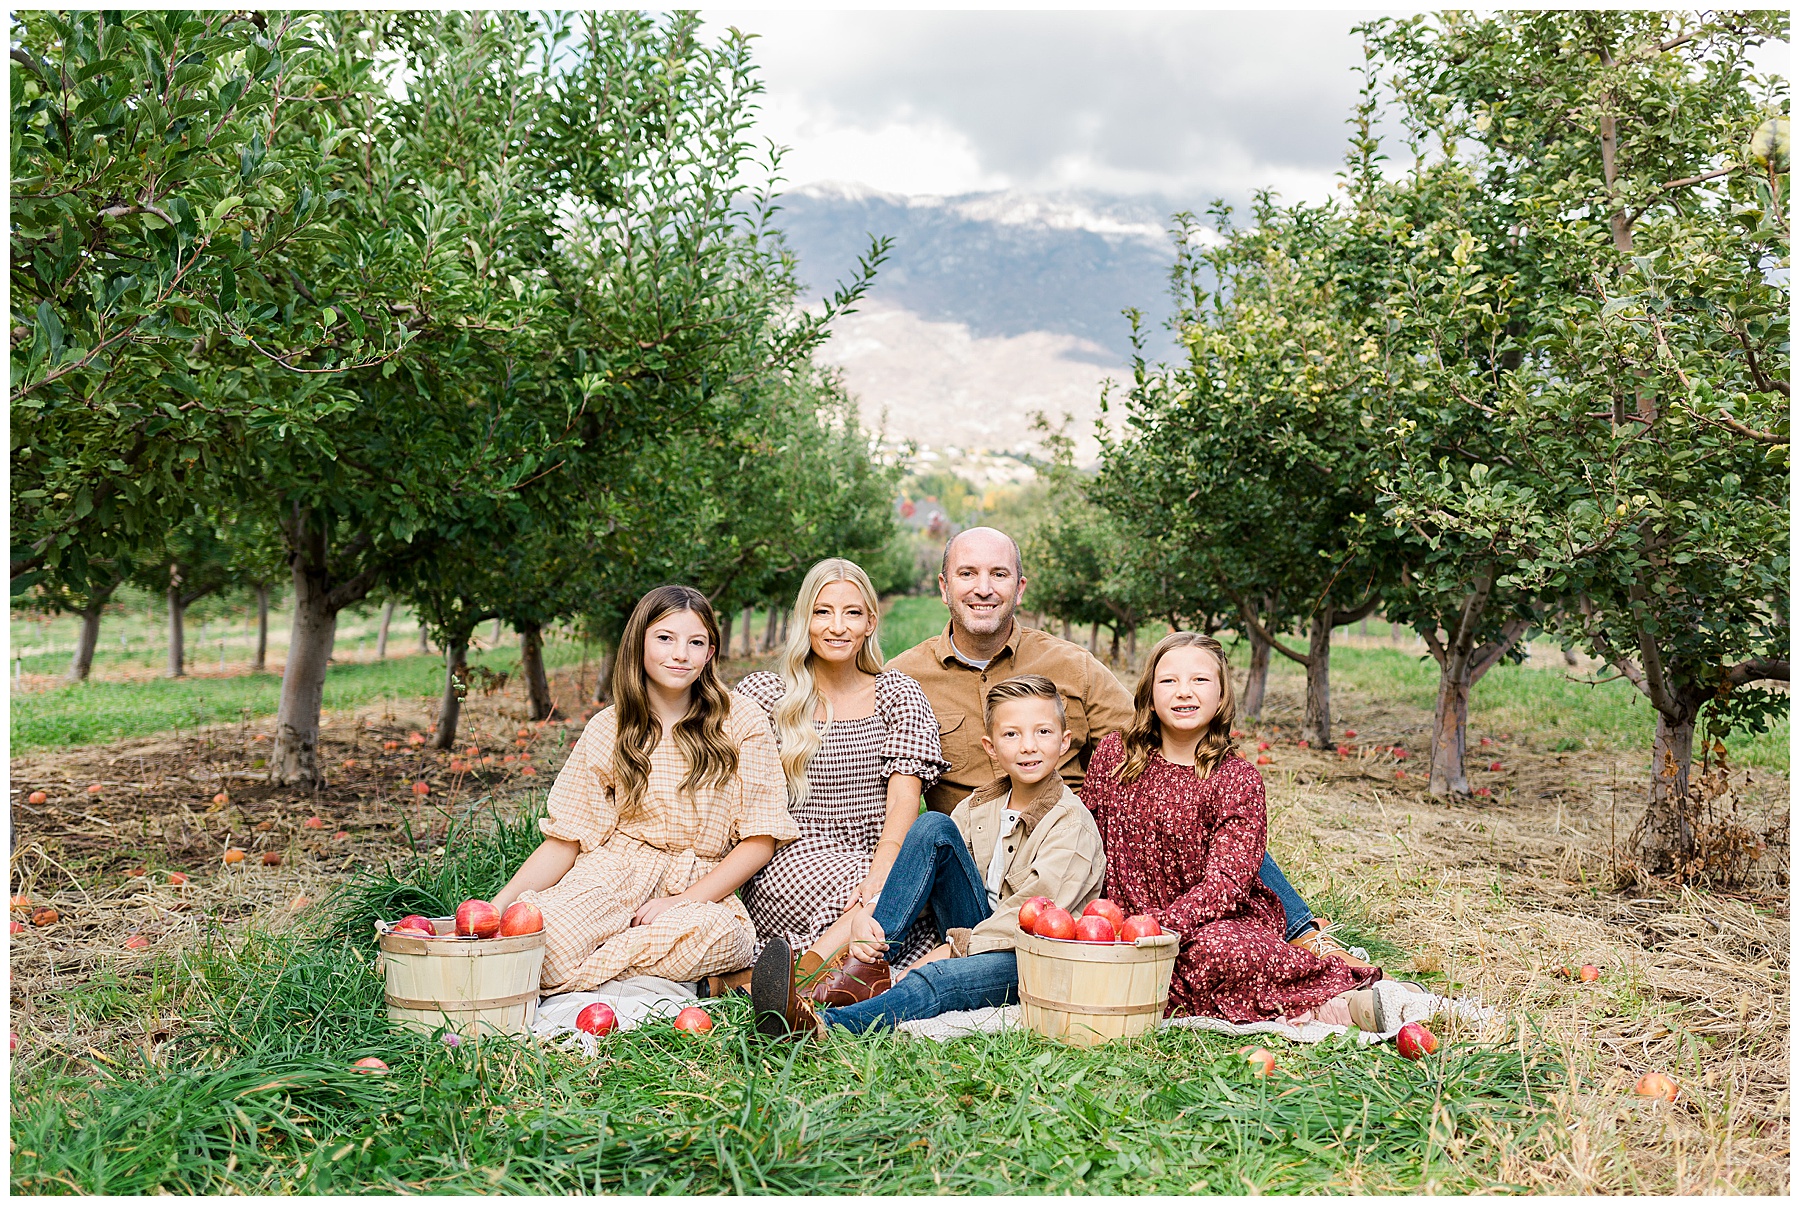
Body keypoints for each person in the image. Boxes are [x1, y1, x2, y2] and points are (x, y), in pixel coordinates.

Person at [889, 526, 1370, 969]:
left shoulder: (1070, 663)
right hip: (975, 853)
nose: (983, 588)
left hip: (1067, 843)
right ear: (943, 586)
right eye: (967, 574)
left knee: (1204, 796)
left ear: (1020, 587)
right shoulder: (905, 676)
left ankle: (1301, 928)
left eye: (999, 574)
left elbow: (1148, 736)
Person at [751, 674, 1106, 1037]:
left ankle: (823, 1026)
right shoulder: (977, 807)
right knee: (932, 826)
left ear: (1064, 743)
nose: (1028, 746)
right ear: (990, 746)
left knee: (934, 976)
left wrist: (954, 949)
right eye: (1011, 734)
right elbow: (922, 875)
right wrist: (869, 913)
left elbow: (1032, 920)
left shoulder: (1071, 826)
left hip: (1030, 957)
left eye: (1042, 732)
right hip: (976, 924)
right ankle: (868, 963)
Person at [1079, 631, 1401, 1028]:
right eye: (1169, 681)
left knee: (1217, 952)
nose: (1183, 692)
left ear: (1221, 696)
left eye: (1199, 680)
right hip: (1121, 918)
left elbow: (1227, 884)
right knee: (1110, 965)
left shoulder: (1236, 778)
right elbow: (1088, 836)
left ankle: (1330, 992)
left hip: (1206, 923)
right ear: (1148, 692)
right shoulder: (1116, 755)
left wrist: (1162, 929)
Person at [492, 585, 799, 994]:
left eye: (696, 642)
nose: (680, 654)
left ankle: (580, 974)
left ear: (710, 653)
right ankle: (641, 974)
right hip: (615, 871)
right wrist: (498, 907)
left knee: (725, 937)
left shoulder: (741, 721)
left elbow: (760, 840)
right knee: (547, 940)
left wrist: (682, 901)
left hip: (698, 886)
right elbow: (567, 838)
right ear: (639, 643)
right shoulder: (610, 726)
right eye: (665, 638)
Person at [732, 558, 950, 1004]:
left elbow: (905, 797)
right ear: (804, 620)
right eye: (822, 611)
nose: (837, 626)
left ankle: (786, 981)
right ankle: (813, 973)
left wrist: (886, 865)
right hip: (791, 859)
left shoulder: (897, 693)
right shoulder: (767, 695)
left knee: (904, 891)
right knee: (895, 905)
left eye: (852, 612)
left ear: (870, 622)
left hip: (873, 853)